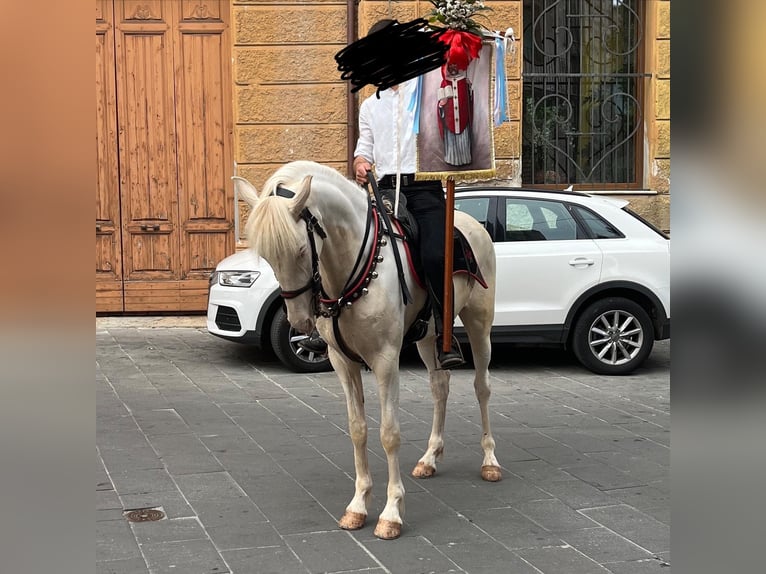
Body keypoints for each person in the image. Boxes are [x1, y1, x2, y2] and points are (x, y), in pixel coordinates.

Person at [352, 19, 464, 370]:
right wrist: (359, 162)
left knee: (434, 253)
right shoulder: (369, 105)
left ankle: (445, 333)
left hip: (423, 186)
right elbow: (364, 149)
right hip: (384, 190)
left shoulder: (427, 89)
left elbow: (455, 84)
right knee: (349, 251)